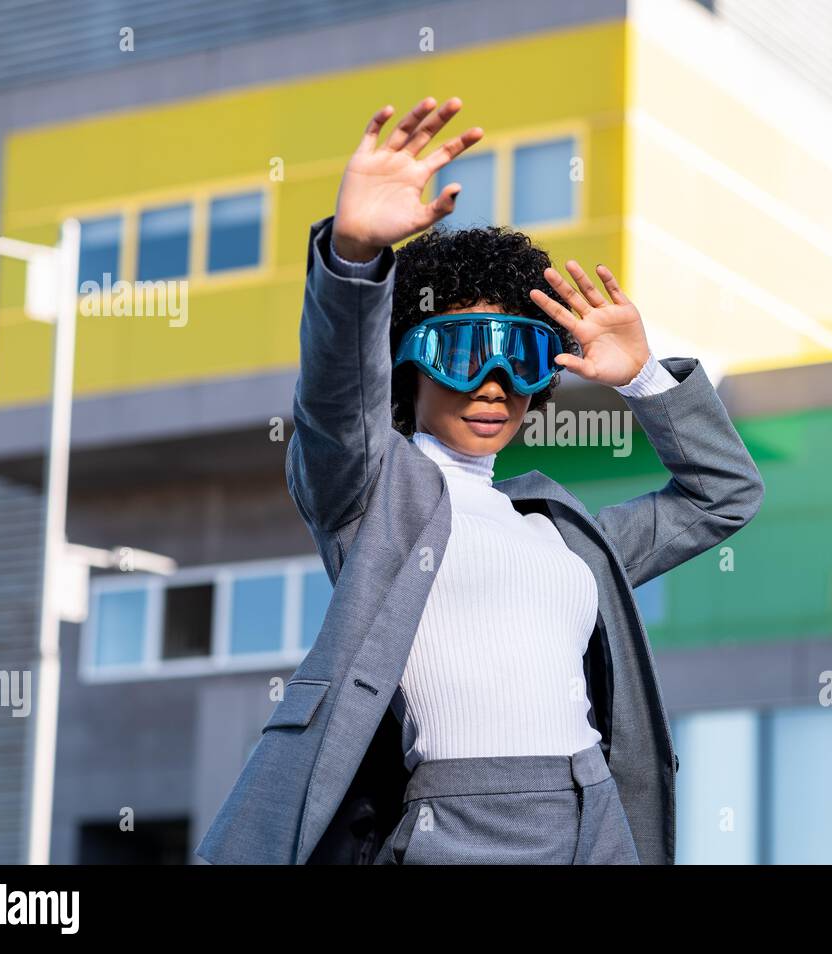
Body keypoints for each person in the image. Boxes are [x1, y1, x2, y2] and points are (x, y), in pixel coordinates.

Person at [195, 96, 764, 865]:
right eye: (464, 353)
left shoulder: (561, 534)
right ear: (405, 364)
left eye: (522, 357)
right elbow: (335, 404)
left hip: (592, 815)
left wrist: (643, 382)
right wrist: (356, 258)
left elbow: (722, 494)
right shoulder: (370, 494)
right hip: (452, 821)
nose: (494, 382)